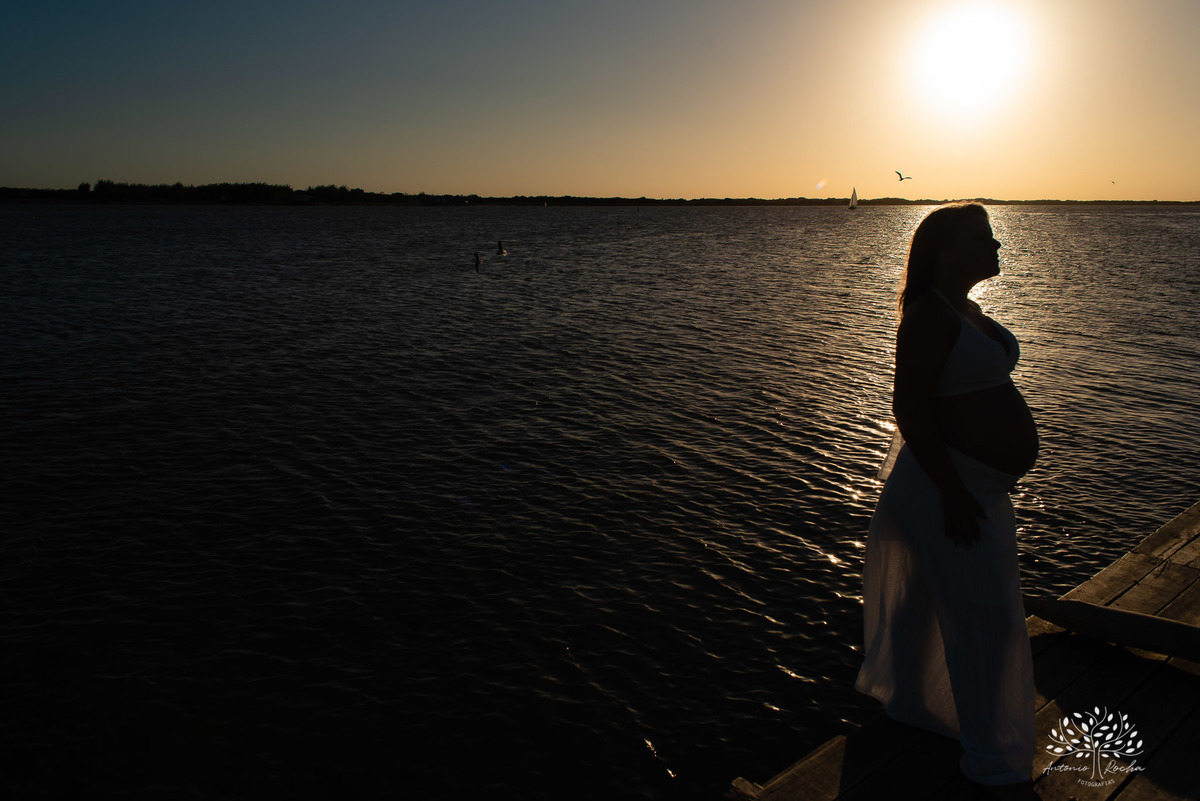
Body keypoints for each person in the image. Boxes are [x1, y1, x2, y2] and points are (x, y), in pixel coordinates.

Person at [856, 203, 1040, 799]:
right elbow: (909, 409)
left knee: (931, 605)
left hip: (972, 486)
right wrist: (956, 494)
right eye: (984, 237)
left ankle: (916, 707)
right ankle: (993, 759)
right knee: (986, 618)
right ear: (946, 250)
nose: (996, 246)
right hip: (946, 488)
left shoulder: (966, 311)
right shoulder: (929, 318)